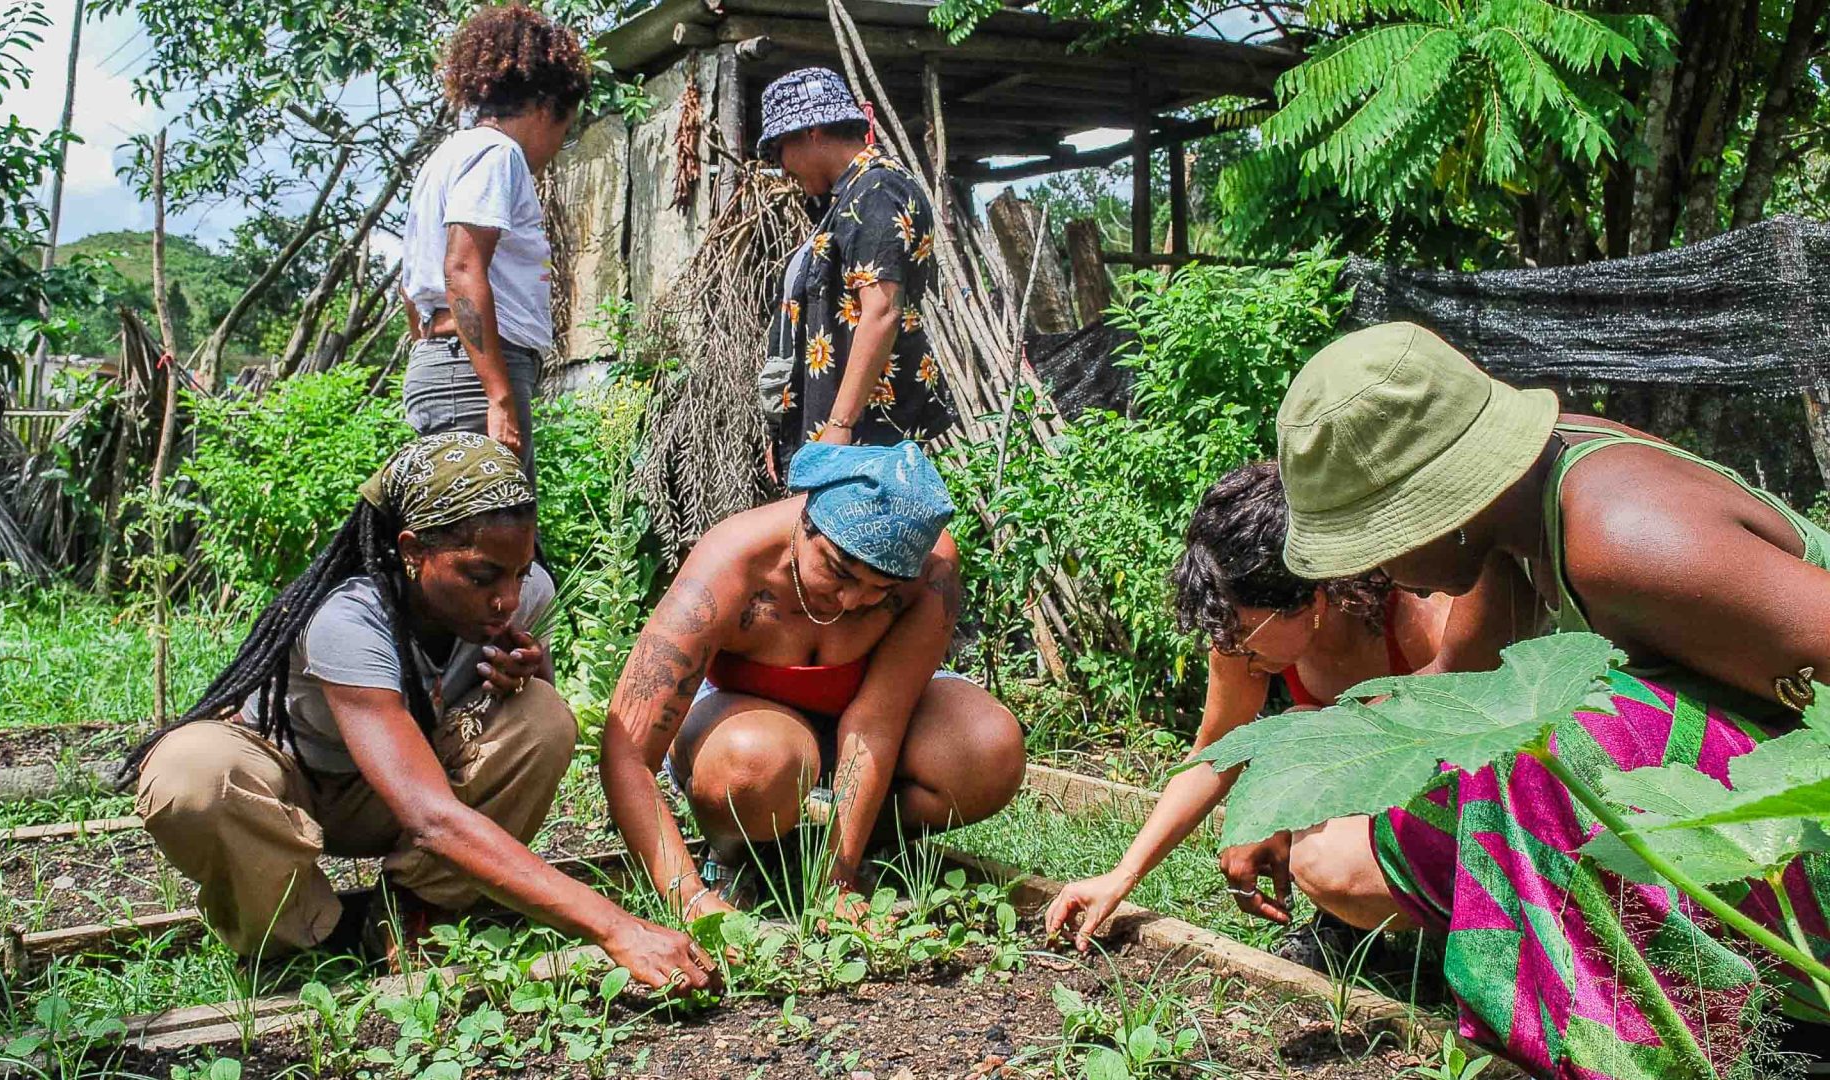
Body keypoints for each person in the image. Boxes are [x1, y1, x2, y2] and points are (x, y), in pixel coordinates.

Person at [1274, 321, 1830, 1078]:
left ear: (1445, 505)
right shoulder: (1515, 522)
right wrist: (1291, 785)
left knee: (1559, 747)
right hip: (1745, 826)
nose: (1375, 573)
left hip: (1794, 841)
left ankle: (1658, 1051)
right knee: (1447, 788)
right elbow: (1453, 696)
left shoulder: (1625, 539)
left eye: (1376, 541)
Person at [129, 433, 715, 990]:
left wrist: (524, 677)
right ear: (413, 551)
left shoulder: (522, 593)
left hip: (397, 784)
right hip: (289, 790)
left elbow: (521, 735)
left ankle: (411, 906)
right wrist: (618, 928)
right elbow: (431, 816)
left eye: (519, 571)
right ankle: (316, 934)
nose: (507, 598)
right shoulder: (350, 617)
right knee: (190, 775)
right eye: (482, 576)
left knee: (543, 715)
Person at [1044, 462, 1498, 965]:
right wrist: (1122, 875)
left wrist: (1282, 792)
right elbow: (1212, 755)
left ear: (1309, 596)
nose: (1229, 645)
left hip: (1475, 796)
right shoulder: (1242, 638)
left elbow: (1471, 715)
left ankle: (1486, 929)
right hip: (1382, 786)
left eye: (1243, 629)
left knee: (1314, 800)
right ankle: (1346, 925)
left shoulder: (1410, 607)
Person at [601, 441, 1023, 921]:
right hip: (744, 725)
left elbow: (877, 722)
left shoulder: (932, 572)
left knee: (989, 749)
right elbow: (627, 750)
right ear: (806, 521)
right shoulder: (731, 563)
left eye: (880, 589)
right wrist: (687, 897)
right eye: (839, 572)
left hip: (856, 721)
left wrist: (837, 880)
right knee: (753, 765)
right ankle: (735, 853)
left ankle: (823, 848)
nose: (850, 600)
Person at [401, 5, 590, 478]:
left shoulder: (444, 157)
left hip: (443, 364)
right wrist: (497, 395)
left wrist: (437, 358)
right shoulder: (497, 155)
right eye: (563, 134)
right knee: (495, 544)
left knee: (469, 537)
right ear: (546, 108)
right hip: (475, 373)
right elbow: (462, 269)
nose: (553, 151)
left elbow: (412, 288)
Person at [754, 68, 956, 480]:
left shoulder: (878, 191)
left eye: (778, 152)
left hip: (865, 438)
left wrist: (839, 426)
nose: (781, 169)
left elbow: (880, 311)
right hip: (842, 436)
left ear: (811, 132)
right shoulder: (850, 197)